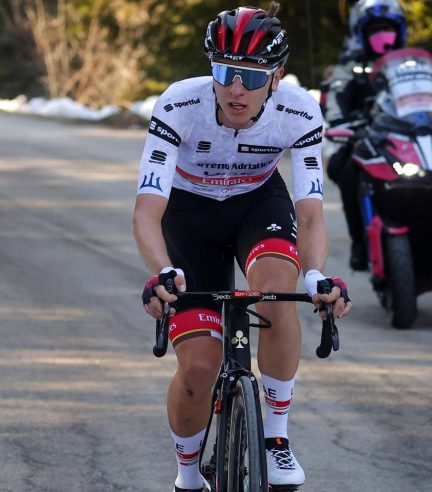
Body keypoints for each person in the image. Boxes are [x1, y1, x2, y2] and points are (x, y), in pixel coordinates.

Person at [133, 4, 351, 491]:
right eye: (225, 72)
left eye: (251, 78)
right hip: (189, 214)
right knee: (198, 370)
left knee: (277, 294)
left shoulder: (298, 110)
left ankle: (275, 438)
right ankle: (188, 477)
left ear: (276, 78)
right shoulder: (178, 104)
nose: (236, 89)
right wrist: (162, 271)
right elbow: (147, 210)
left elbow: (311, 210)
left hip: (258, 203)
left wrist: (316, 274)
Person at [321, 0, 408, 271]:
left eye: (388, 28)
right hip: (366, 137)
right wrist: (339, 120)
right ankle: (360, 243)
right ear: (361, 32)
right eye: (375, 29)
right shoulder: (351, 66)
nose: (383, 34)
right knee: (347, 173)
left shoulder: (410, 63)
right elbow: (336, 97)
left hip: (409, 138)